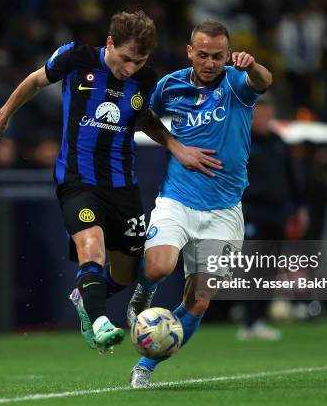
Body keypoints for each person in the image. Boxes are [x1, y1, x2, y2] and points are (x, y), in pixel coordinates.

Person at [0, 11, 221, 353]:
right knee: (91, 248)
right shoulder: (76, 57)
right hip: (77, 181)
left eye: (138, 62)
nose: (129, 69)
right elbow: (35, 81)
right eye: (125, 59)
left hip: (122, 186)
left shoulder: (144, 80)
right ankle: (99, 322)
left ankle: (86, 296)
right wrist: (3, 115)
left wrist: (177, 148)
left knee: (125, 275)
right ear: (110, 43)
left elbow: (145, 120)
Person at [127, 21, 272, 387]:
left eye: (218, 56)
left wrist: (251, 65)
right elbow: (144, 116)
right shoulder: (170, 85)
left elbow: (264, 81)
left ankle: (146, 366)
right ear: (190, 51)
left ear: (227, 55)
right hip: (178, 197)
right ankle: (143, 294)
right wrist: (177, 147)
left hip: (224, 211)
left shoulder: (237, 82)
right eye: (203, 55)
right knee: (159, 268)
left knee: (200, 301)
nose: (210, 63)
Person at [236, 95, 308, 341]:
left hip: (278, 214)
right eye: (260, 112)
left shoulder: (279, 142)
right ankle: (249, 321)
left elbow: (292, 178)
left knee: (270, 269)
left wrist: (299, 207)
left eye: (268, 112)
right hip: (253, 212)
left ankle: (260, 320)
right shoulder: (243, 141)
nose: (264, 117)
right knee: (253, 269)